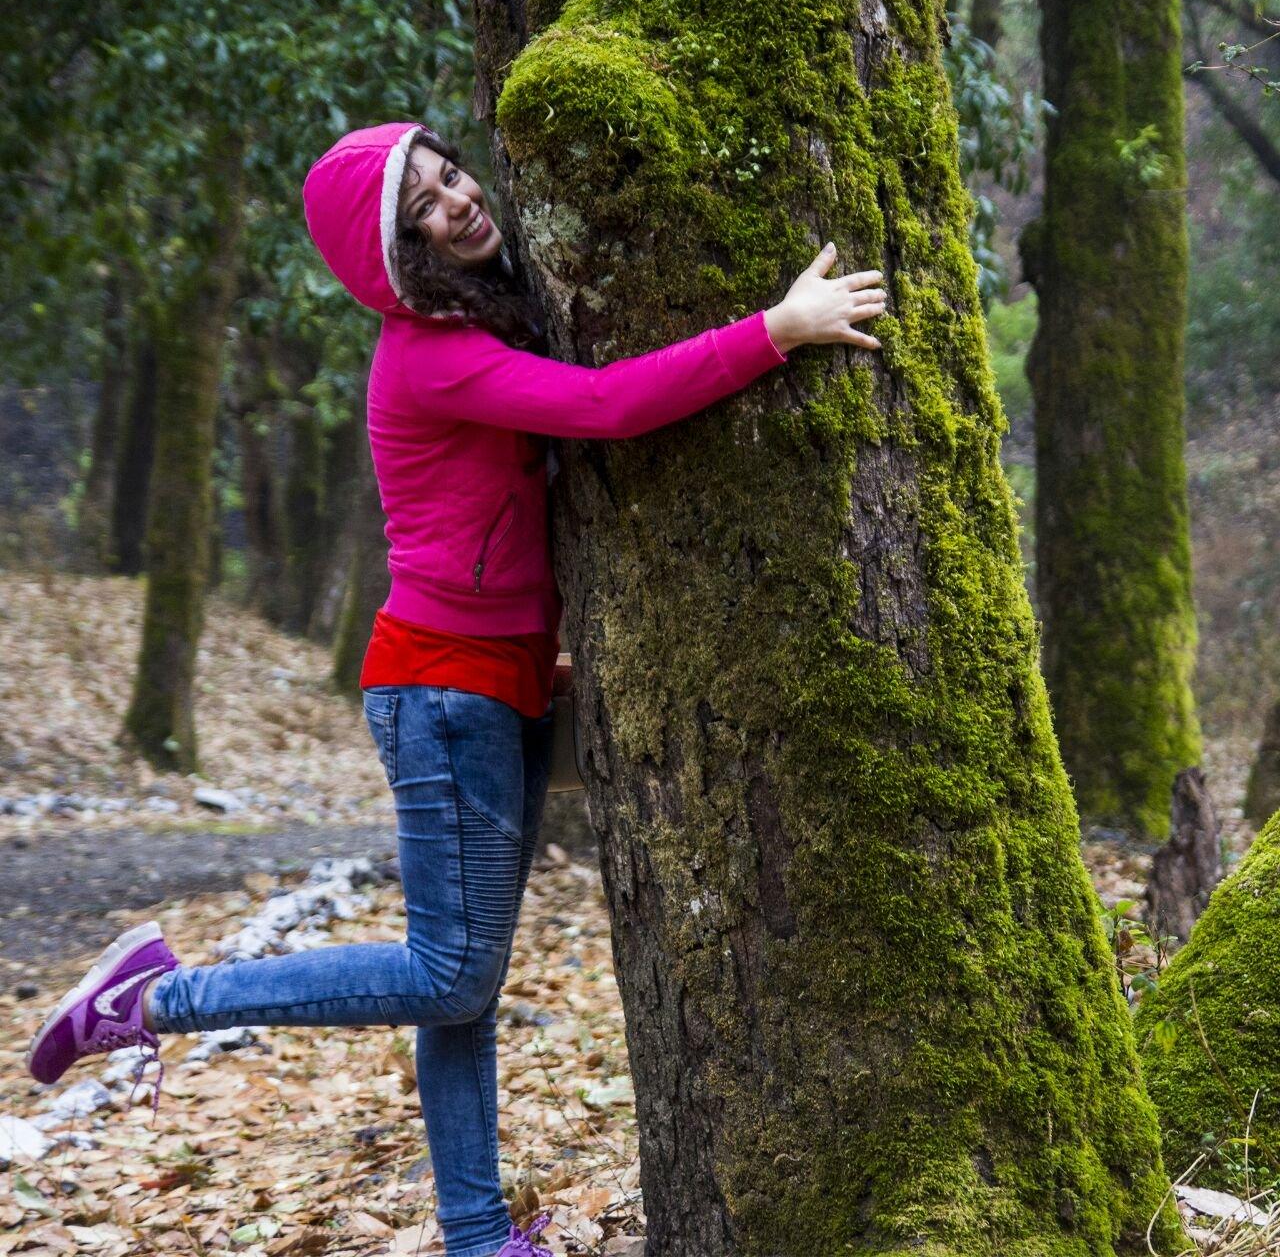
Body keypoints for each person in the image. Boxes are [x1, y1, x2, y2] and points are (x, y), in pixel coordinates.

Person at [25, 120, 885, 1257]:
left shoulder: (475, 319)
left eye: (449, 173)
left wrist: (544, 652)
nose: (459, 202)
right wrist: (774, 331)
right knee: (447, 970)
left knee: (460, 989)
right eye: (424, 205)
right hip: (441, 695)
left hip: (494, 684)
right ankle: (151, 1000)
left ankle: (476, 1235)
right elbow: (606, 408)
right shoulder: (428, 353)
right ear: (395, 255)